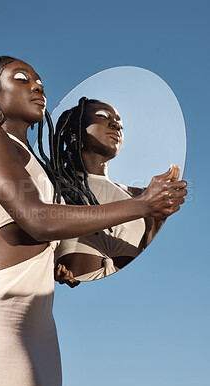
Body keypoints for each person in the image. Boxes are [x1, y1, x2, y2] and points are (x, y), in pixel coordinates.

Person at [0, 58, 186, 386]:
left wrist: (58, 262)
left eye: (40, 80)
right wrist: (141, 204)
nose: (37, 85)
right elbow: (36, 218)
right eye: (22, 78)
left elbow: (41, 229)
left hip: (40, 325)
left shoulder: (39, 167)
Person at [53, 97, 185, 283]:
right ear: (74, 131)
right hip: (82, 301)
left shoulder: (139, 194)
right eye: (102, 116)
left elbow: (151, 254)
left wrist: (159, 220)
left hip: (131, 293)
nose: (116, 125)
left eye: (120, 124)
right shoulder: (54, 185)